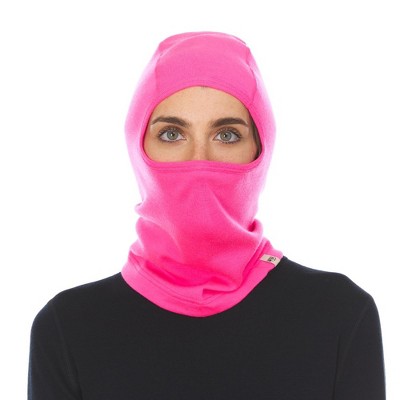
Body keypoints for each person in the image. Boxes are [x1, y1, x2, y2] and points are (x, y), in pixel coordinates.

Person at [28, 31, 385, 399]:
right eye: (171, 134)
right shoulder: (68, 329)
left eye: (227, 135)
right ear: (138, 147)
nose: (199, 160)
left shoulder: (338, 316)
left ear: (260, 150)